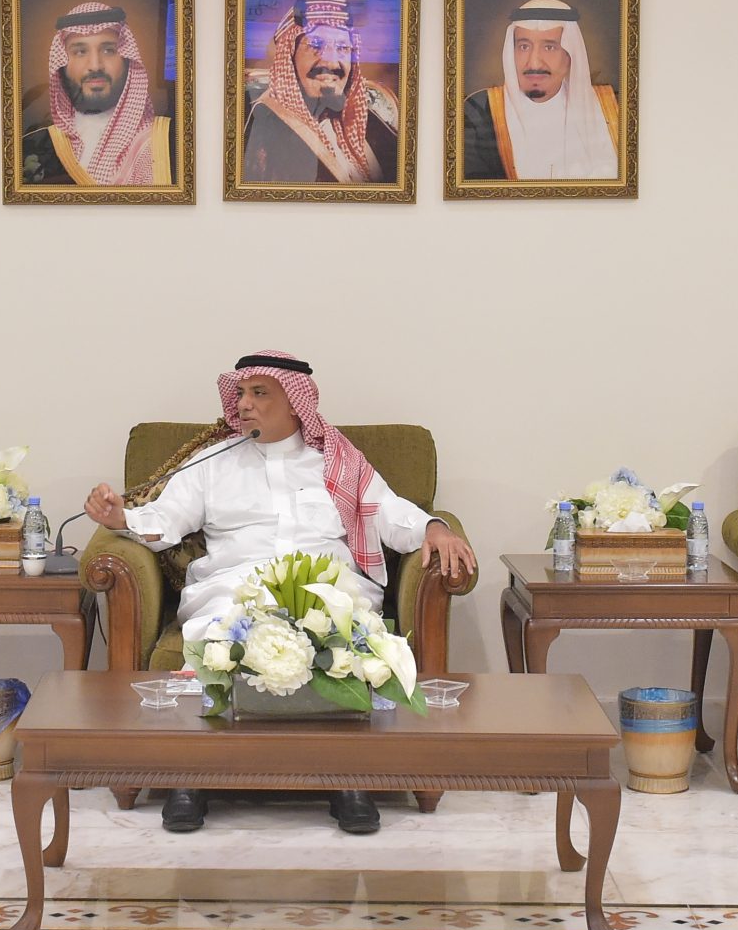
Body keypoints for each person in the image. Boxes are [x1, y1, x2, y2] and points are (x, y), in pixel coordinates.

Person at [83, 350, 478, 835]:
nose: (244, 404)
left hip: (326, 584)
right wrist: (119, 518)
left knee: (342, 639)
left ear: (295, 401)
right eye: (240, 393)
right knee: (219, 635)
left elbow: (390, 513)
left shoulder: (338, 461)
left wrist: (434, 528)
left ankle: (348, 777)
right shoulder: (211, 463)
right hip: (235, 585)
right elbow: (165, 520)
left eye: (259, 393)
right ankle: (192, 776)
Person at [459, 0, 622, 182]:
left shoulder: (614, 109)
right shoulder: (479, 113)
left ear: (569, 56)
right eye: (524, 46)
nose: (534, 62)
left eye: (549, 47)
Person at [241, 0, 399, 185]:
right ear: (289, 57)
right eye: (315, 45)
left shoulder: (369, 118)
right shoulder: (262, 127)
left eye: (343, 48)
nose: (331, 63)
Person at [18, 0, 175, 187]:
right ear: (62, 66)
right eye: (80, 52)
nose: (95, 65)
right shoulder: (38, 146)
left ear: (127, 61)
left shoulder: (167, 142)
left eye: (109, 50)